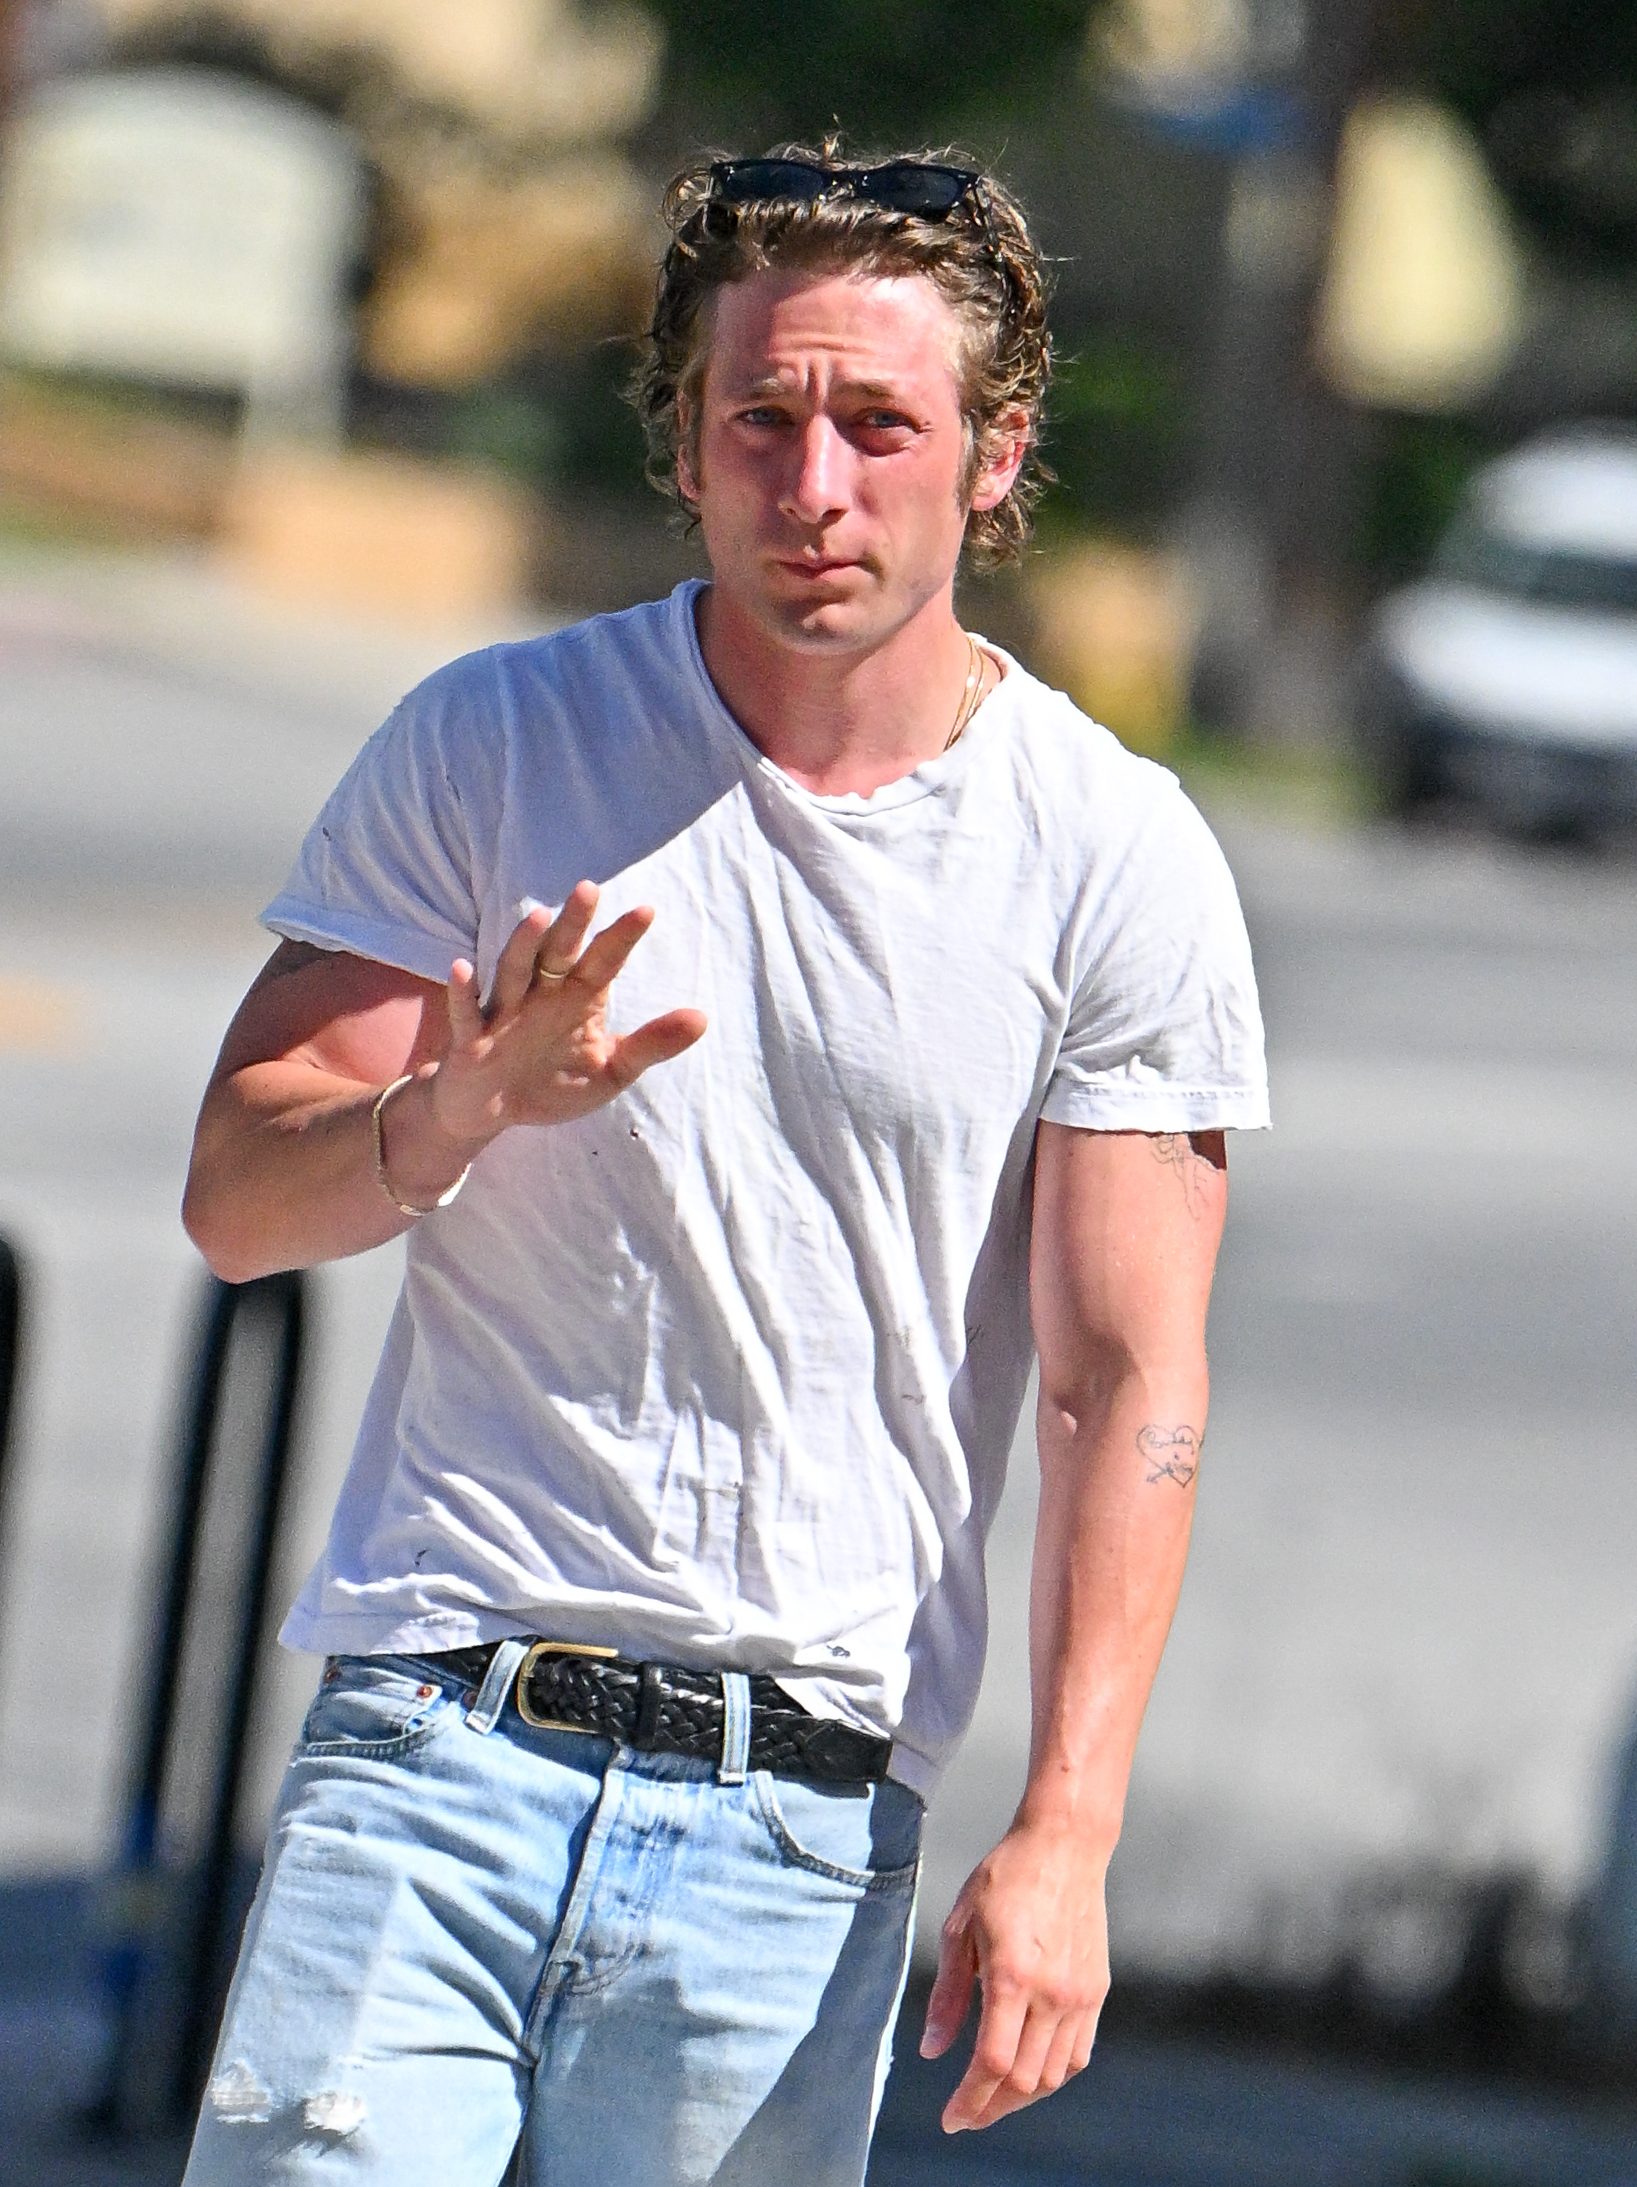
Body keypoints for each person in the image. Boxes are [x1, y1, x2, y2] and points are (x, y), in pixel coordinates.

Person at [179, 141, 1269, 2187]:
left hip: (795, 1823)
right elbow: (238, 1196)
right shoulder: (492, 740)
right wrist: (453, 1111)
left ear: (993, 453)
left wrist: (1071, 1824)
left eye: (880, 422)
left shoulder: (1113, 857)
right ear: (685, 440)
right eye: (761, 419)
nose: (818, 483)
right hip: (435, 1747)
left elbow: (1129, 1380)